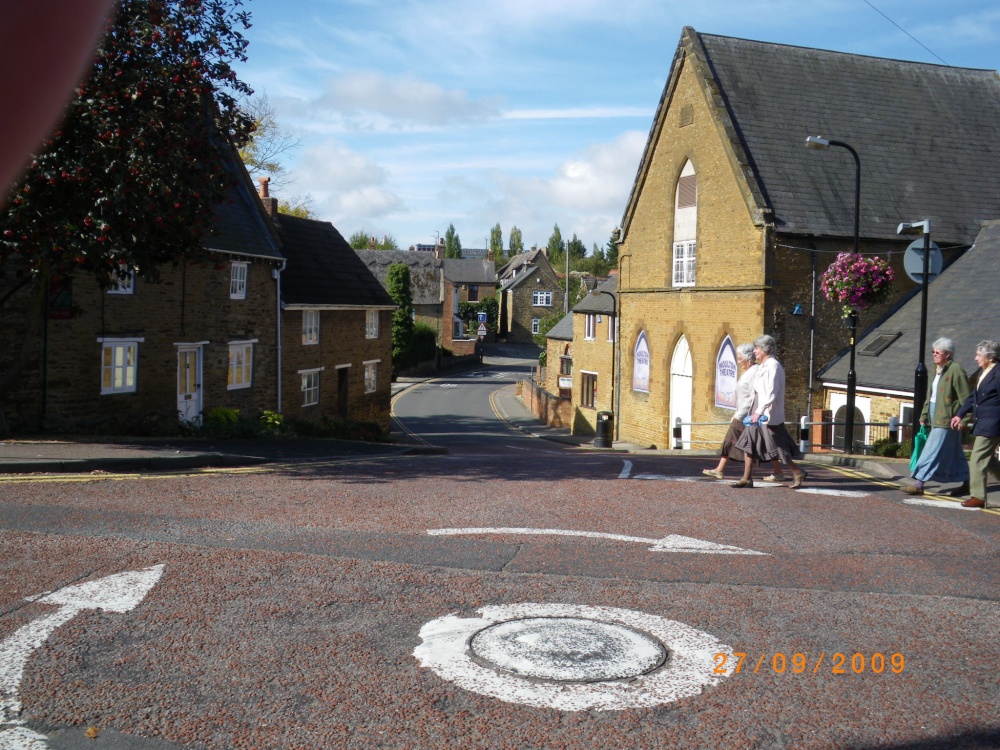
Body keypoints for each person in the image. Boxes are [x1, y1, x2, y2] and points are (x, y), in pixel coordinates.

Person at [732, 335, 807, 489]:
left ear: (765, 349)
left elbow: (771, 393)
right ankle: (746, 478)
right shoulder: (764, 366)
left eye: (757, 348)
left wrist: (758, 412)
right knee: (748, 443)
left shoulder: (774, 366)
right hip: (757, 411)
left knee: (777, 447)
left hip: (767, 414)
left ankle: (797, 471)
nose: (755, 351)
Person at [703, 343, 782, 480]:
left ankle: (722, 470)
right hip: (746, 414)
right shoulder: (750, 372)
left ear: (748, 359)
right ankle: (777, 472)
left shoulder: (754, 372)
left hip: (748, 415)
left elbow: (753, 396)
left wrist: (740, 414)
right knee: (762, 442)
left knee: (735, 438)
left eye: (740, 359)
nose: (738, 362)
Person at [905, 337, 971, 496]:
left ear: (947, 354)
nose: (934, 355)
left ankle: (919, 483)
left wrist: (965, 419)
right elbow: (931, 396)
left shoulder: (956, 370)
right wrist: (925, 414)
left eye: (937, 352)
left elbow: (966, 399)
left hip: (948, 419)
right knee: (955, 452)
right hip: (936, 414)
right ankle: (968, 482)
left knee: (931, 449)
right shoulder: (938, 370)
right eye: (933, 352)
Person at [950, 340, 1000, 508]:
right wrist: (960, 414)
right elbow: (974, 397)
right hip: (984, 422)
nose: (975, 358)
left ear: (990, 357)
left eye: (979, 355)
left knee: (978, 458)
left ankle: (978, 496)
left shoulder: (998, 373)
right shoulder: (985, 371)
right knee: (989, 460)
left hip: (993, 423)